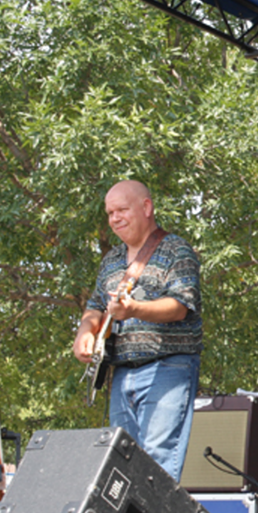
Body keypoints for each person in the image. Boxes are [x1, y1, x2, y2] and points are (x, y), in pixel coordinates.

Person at [72, 180, 202, 481]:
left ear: (146, 207)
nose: (114, 218)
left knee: (157, 460)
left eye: (121, 210)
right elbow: (95, 306)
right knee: (123, 462)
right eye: (109, 213)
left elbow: (180, 306)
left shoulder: (176, 249)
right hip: (121, 372)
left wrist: (134, 310)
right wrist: (85, 331)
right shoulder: (111, 261)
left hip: (169, 367)